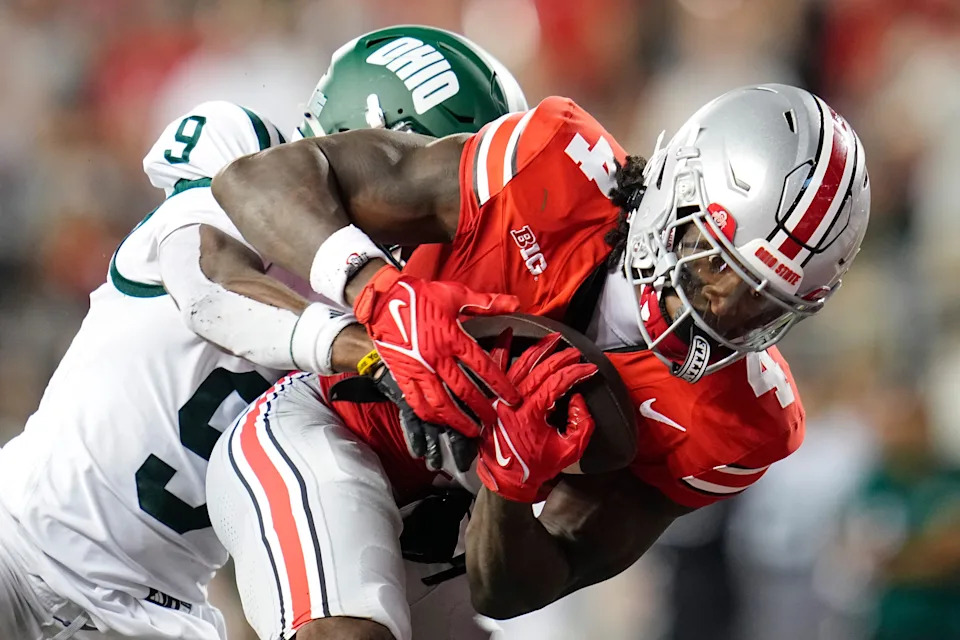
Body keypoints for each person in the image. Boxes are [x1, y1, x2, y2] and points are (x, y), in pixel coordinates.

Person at [206, 83, 871, 640]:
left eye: (759, 303)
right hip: (329, 429)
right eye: (712, 260)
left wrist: (508, 479)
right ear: (676, 187)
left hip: (446, 536)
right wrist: (378, 292)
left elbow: (515, 587)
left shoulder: (739, 420)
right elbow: (254, 180)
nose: (719, 306)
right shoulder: (552, 166)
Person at [0, 25, 526, 640]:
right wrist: (374, 353)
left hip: (159, 618)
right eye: (436, 178)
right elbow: (208, 286)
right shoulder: (244, 160)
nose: (448, 215)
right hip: (17, 546)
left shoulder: (418, 318)